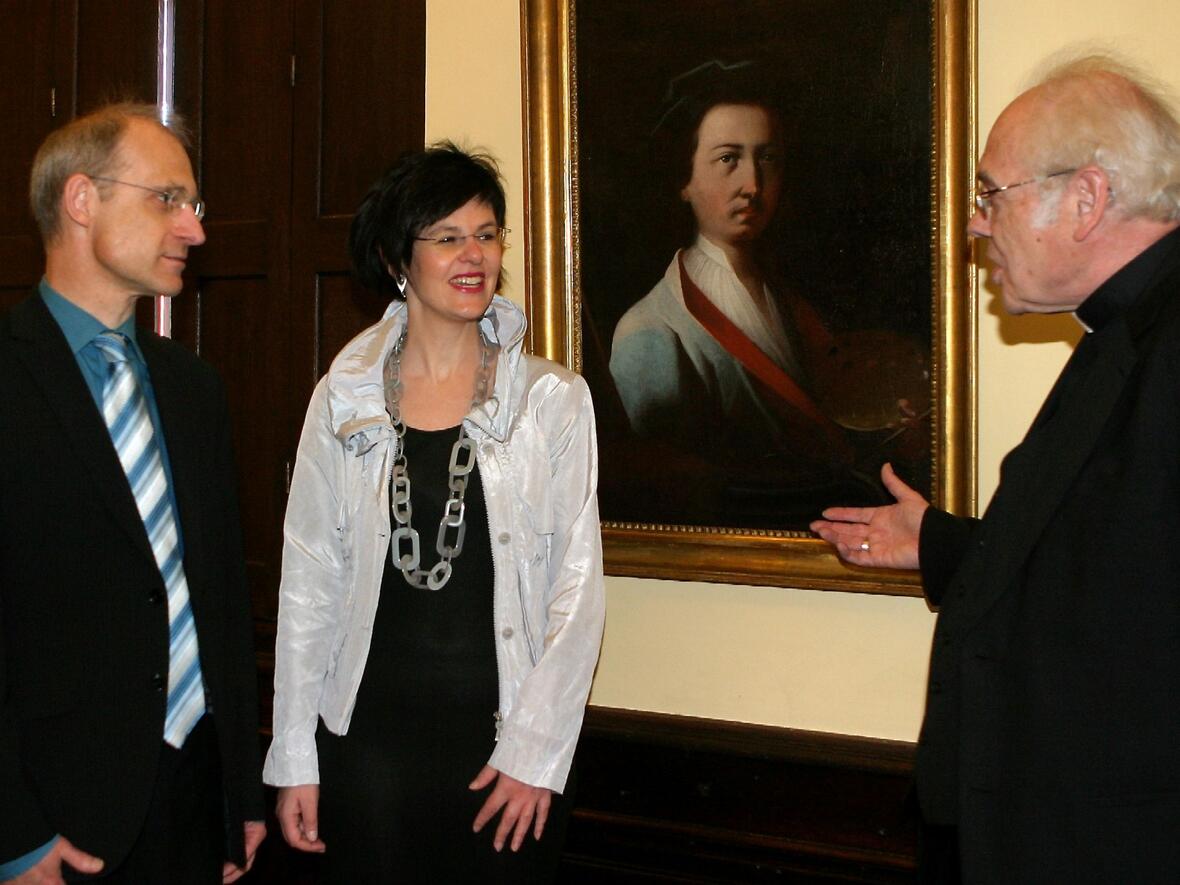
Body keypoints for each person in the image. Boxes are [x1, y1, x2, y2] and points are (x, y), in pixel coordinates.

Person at [811, 54, 1180, 883]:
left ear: (1085, 199)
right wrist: (940, 544)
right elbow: (1107, 569)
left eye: (990, 194)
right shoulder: (1124, 331)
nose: (977, 225)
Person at [262, 143, 606, 883]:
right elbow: (309, 582)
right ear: (397, 259)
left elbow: (577, 593)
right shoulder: (343, 396)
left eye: (486, 233)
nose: (472, 253)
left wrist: (537, 753)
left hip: (502, 751)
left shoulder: (552, 402)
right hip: (369, 748)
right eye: (446, 237)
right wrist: (293, 753)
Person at [0, 104, 265, 884]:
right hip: (54, 817)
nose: (195, 230)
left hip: (193, 801)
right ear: (81, 201)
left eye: (195, 205)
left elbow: (217, 598)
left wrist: (239, 793)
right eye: (167, 200)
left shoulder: (193, 389)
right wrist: (14, 834)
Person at [609, 60, 888, 526]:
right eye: (728, 159)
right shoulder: (651, 331)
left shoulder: (791, 306)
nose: (752, 185)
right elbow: (670, 492)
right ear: (685, 179)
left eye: (767, 159)